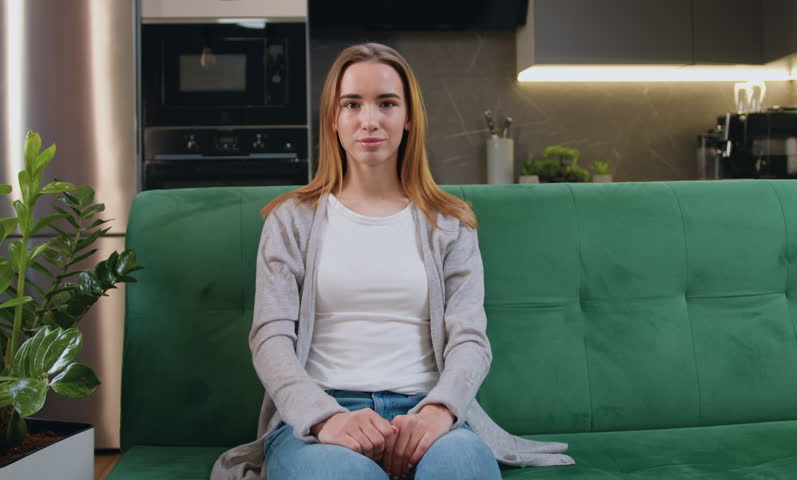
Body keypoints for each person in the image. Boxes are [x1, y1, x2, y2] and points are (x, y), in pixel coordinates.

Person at [211, 43, 573, 480]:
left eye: (387, 103)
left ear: (408, 118)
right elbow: (270, 339)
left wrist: (439, 412)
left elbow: (470, 340)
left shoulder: (451, 223)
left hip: (424, 413)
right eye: (352, 104)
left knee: (464, 468)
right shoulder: (290, 221)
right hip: (320, 419)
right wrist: (328, 419)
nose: (370, 120)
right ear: (333, 119)